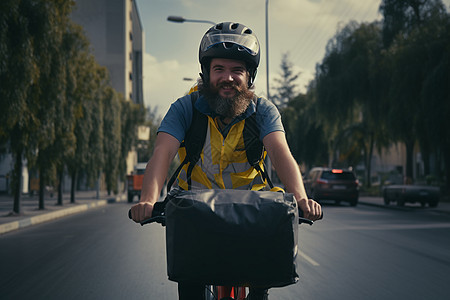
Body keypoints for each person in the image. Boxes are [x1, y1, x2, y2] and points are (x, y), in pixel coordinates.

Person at [130, 22, 322, 300]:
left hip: (251, 213)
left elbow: (281, 153)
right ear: (206, 74)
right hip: (195, 210)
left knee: (261, 281)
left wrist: (302, 199)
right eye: (219, 69)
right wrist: (148, 200)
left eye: (237, 70)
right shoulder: (185, 108)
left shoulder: (263, 111)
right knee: (191, 283)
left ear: (249, 77)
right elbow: (162, 152)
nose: (228, 78)